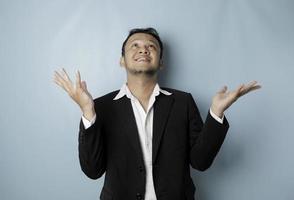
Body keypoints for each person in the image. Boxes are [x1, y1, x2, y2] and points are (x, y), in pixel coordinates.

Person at [53, 27, 261, 200]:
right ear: (122, 60)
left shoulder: (183, 102)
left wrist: (216, 113)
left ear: (160, 62)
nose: (143, 50)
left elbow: (200, 162)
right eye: (135, 46)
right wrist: (88, 111)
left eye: (151, 47)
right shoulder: (102, 106)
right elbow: (92, 170)